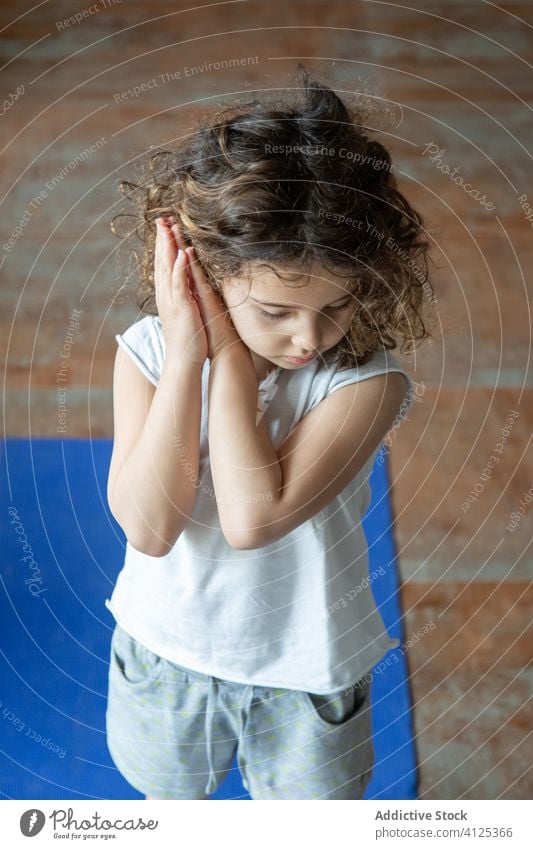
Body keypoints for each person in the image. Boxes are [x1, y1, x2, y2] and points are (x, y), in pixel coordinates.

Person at [105, 64, 435, 800]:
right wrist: (190, 352)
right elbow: (149, 528)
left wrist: (227, 352)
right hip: (165, 654)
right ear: (210, 276)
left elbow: (252, 519)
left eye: (335, 305)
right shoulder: (150, 354)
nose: (308, 338)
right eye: (275, 313)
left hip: (304, 673)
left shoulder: (364, 384)